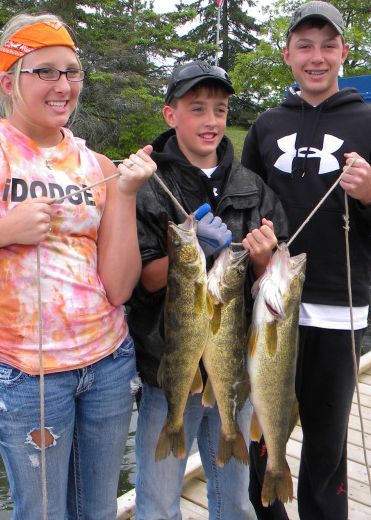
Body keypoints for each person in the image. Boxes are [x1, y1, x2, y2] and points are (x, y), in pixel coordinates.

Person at [0, 13, 156, 520]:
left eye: (72, 71)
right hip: (27, 377)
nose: (63, 85)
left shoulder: (99, 166)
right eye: (45, 71)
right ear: (9, 79)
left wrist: (125, 195)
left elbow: (119, 288)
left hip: (108, 365)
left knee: (98, 512)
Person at [241, 2, 371, 519]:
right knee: (263, 441)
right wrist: (254, 249)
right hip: (271, 308)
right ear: (289, 54)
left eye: (328, 45)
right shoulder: (265, 127)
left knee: (325, 451)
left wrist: (370, 193)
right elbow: (243, 208)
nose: (317, 57)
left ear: (343, 51)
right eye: (305, 46)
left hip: (339, 312)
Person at [127, 60, 289, 520]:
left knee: (235, 500)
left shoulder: (252, 187)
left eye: (219, 110)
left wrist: (263, 260)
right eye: (197, 109)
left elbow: (276, 287)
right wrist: (190, 248)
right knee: (157, 503)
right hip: (168, 369)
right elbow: (141, 282)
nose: (211, 121)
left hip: (231, 368)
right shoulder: (147, 185)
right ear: (170, 115)